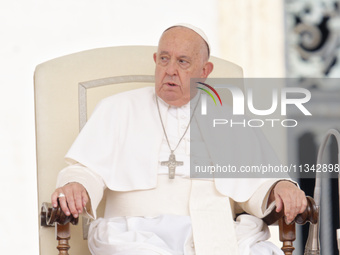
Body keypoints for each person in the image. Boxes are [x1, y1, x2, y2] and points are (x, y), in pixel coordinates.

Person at [51, 24, 307, 255]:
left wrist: (281, 186)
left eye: (183, 61)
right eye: (164, 59)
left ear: (204, 71)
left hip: (214, 231)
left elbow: (259, 181)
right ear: (155, 61)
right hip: (135, 233)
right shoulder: (118, 108)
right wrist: (77, 184)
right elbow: (87, 170)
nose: (170, 70)